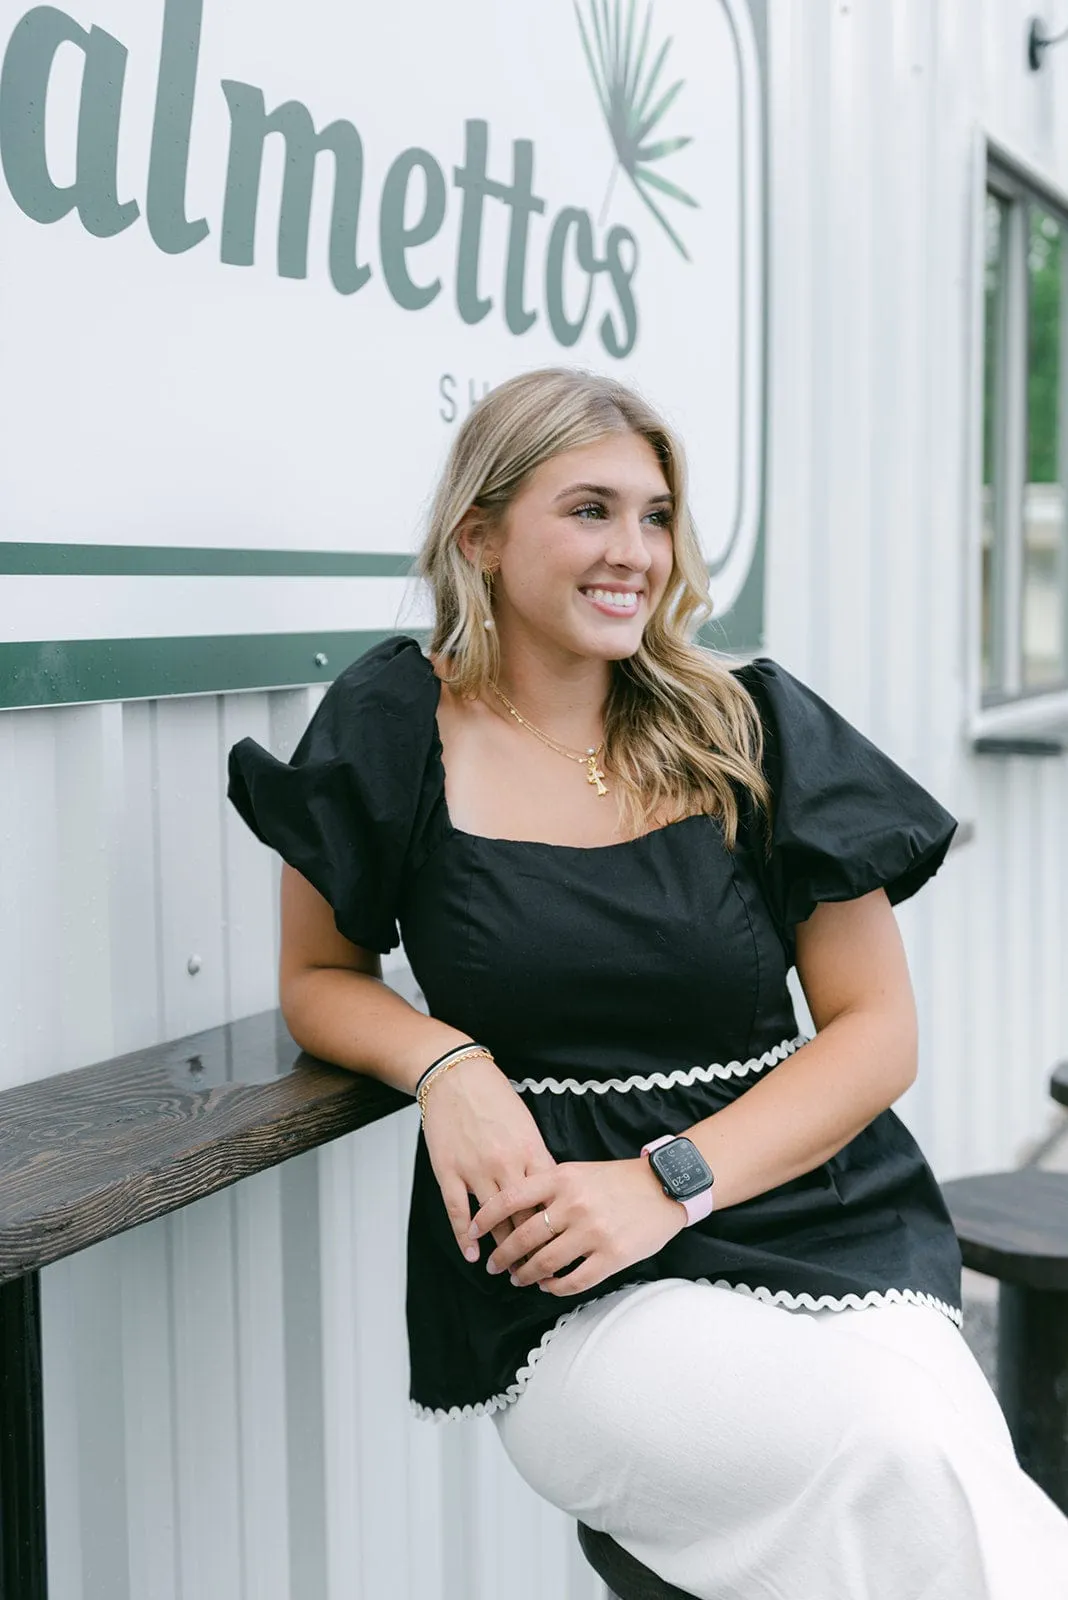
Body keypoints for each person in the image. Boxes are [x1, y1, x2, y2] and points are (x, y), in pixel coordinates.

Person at [227, 367, 1068, 1598]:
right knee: (893, 1454)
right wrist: (445, 1062)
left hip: (817, 1216)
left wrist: (670, 1182)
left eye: (657, 514)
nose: (637, 551)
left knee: (933, 1451)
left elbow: (878, 1033)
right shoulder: (395, 726)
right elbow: (316, 976)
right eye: (590, 510)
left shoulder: (751, 729)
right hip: (567, 1280)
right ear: (481, 533)